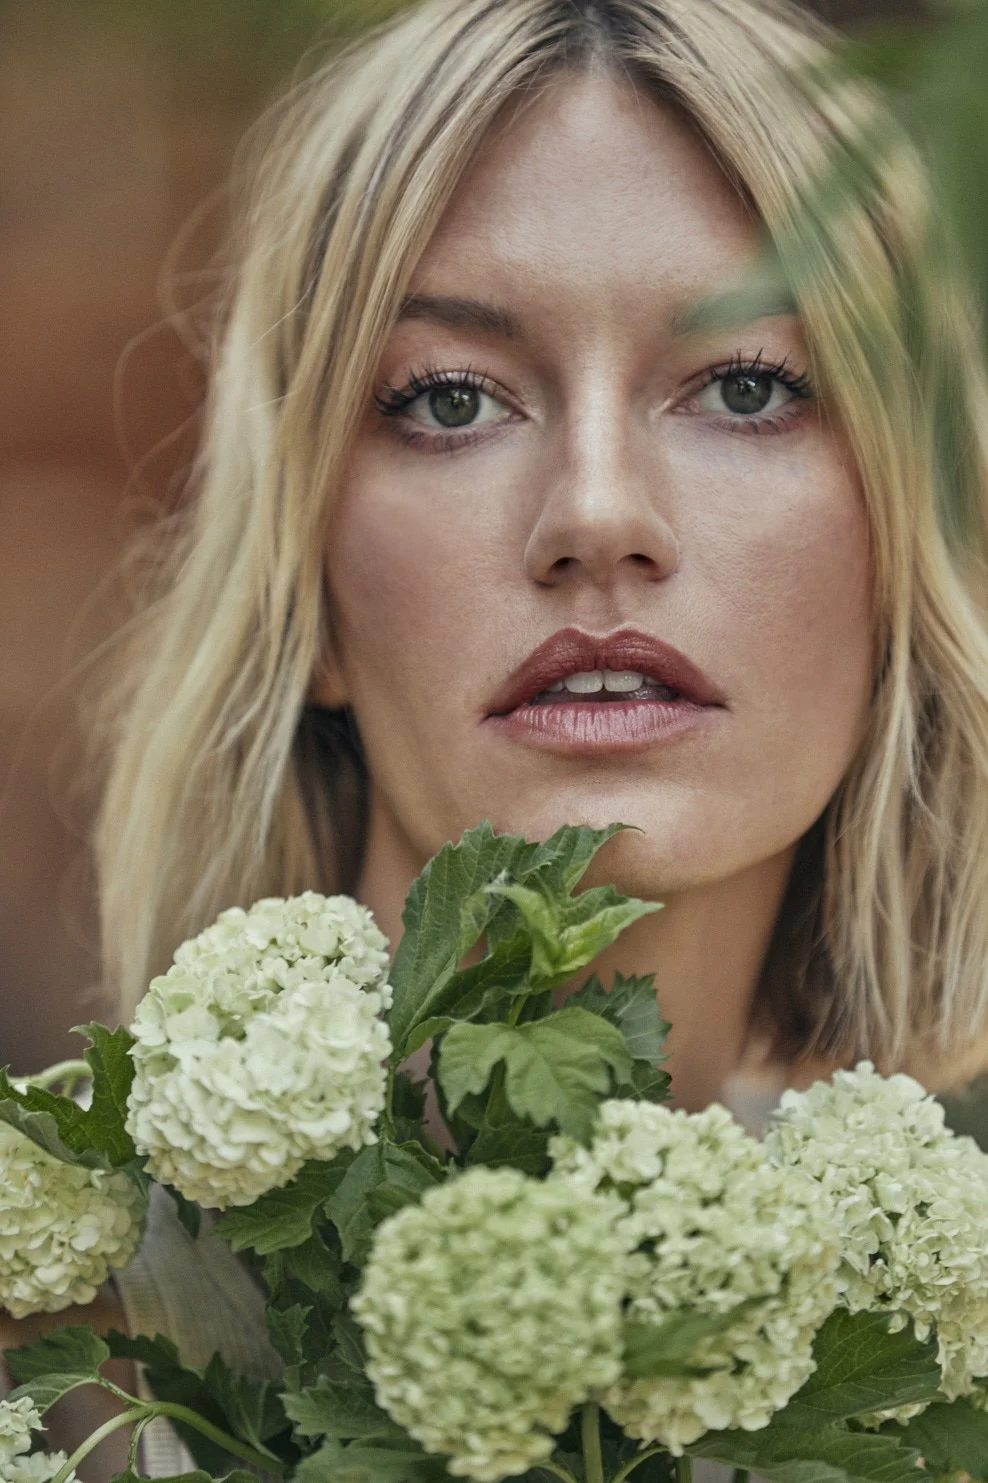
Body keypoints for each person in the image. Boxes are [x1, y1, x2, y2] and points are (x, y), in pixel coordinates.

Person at [7, 0, 988, 1474]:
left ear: (908, 546)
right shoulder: (59, 1313)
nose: (596, 512)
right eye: (452, 399)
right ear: (305, 585)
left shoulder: (929, 1343)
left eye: (746, 385)